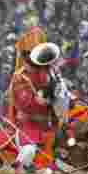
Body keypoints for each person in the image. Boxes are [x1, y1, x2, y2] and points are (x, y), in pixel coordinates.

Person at [7, 26, 68, 164]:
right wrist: (44, 97)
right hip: (27, 128)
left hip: (50, 126)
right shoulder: (19, 77)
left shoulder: (52, 74)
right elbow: (27, 104)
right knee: (28, 150)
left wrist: (61, 94)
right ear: (25, 55)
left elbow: (63, 101)